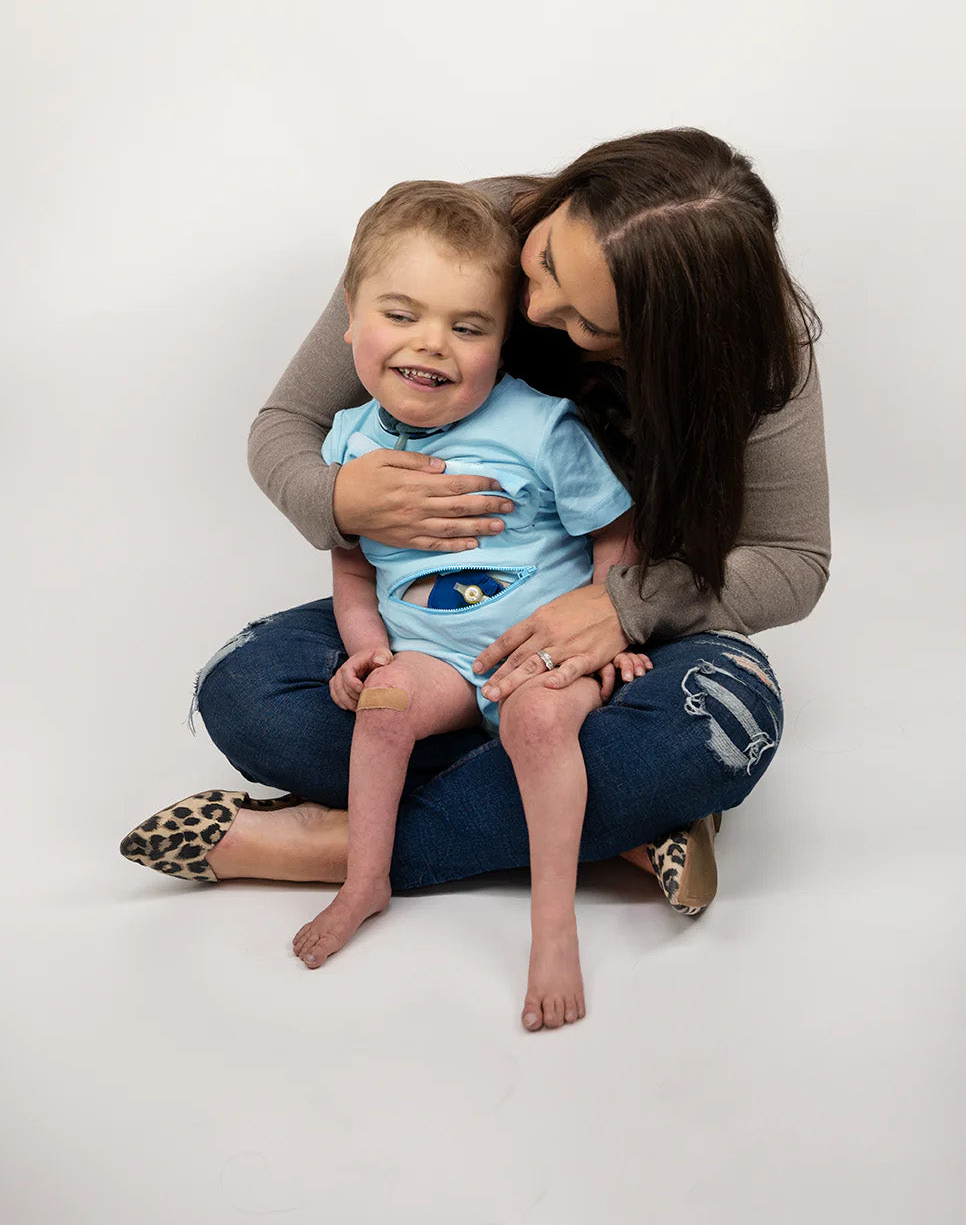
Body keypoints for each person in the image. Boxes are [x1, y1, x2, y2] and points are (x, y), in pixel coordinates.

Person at [120, 128, 831, 1032]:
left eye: (586, 326)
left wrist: (622, 609)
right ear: (562, 197)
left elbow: (795, 563)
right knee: (248, 693)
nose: (532, 312)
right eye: (539, 265)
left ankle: (343, 842)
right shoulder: (464, 231)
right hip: (443, 629)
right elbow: (288, 423)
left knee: (720, 728)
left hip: (624, 641)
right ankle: (607, 827)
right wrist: (342, 498)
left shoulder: (758, 346)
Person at [290, 180, 643, 1029]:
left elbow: (615, 530)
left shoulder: (542, 426)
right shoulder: (346, 444)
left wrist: (612, 619)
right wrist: (364, 649)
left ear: (504, 340)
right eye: (401, 314)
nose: (431, 346)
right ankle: (366, 878)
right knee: (376, 712)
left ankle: (551, 924)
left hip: (541, 649)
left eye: (468, 327)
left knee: (537, 724)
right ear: (350, 314)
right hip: (439, 659)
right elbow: (351, 572)